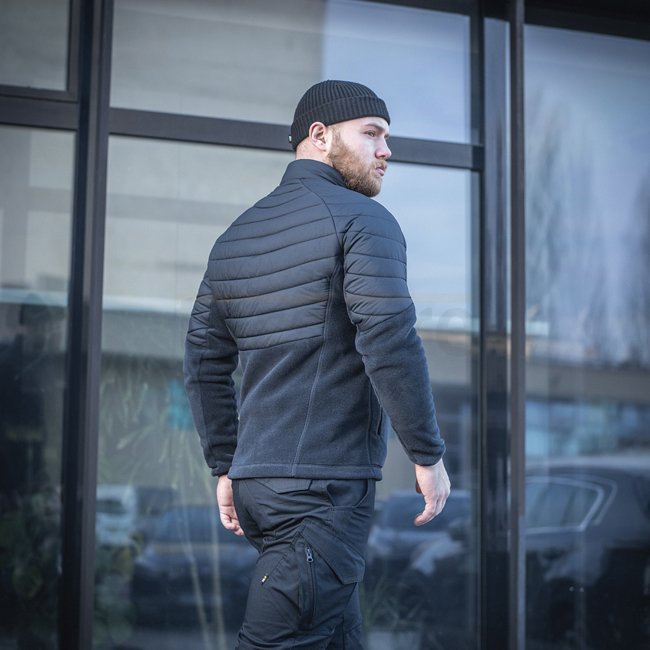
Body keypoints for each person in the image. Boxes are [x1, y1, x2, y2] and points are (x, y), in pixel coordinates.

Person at [184, 79, 450, 649]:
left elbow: (203, 361)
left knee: (335, 637)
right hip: (320, 495)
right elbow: (389, 339)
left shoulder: (235, 236)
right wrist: (426, 454)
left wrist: (227, 465)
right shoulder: (365, 221)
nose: (386, 150)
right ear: (320, 135)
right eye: (372, 134)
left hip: (264, 488)